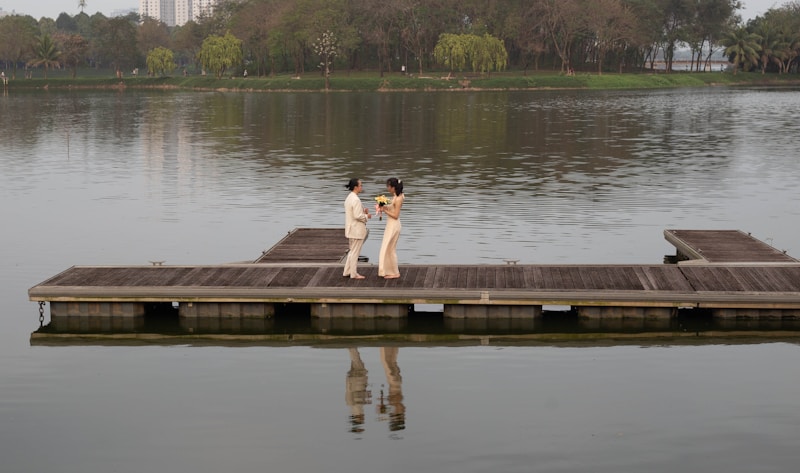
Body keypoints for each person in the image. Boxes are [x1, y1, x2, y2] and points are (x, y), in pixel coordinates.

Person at [344, 178, 371, 279]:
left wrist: (363, 210)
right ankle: (353, 273)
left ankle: (347, 271)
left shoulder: (349, 197)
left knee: (352, 251)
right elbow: (357, 216)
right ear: (355, 187)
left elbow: (353, 211)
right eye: (360, 185)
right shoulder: (355, 199)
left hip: (351, 228)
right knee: (355, 252)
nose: (361, 187)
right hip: (356, 230)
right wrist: (367, 216)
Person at [377, 178, 404, 279]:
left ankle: (395, 272)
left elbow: (396, 215)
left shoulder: (399, 198)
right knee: (387, 248)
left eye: (388, 186)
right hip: (390, 224)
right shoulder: (396, 196)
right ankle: (389, 270)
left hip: (394, 225)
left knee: (391, 249)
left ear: (393, 187)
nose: (387, 188)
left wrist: (384, 210)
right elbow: (392, 208)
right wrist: (384, 206)